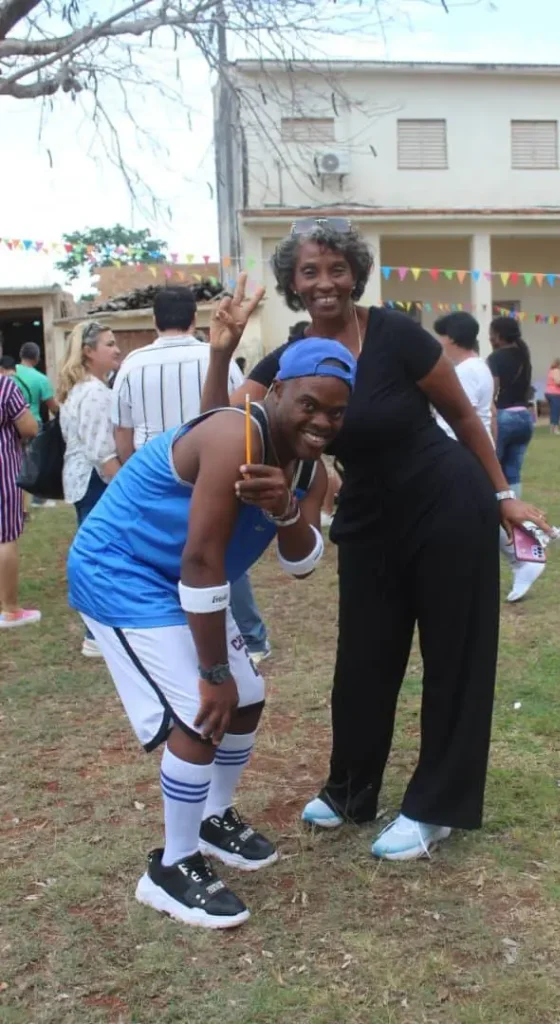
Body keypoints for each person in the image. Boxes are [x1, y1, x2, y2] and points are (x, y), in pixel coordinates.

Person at [202, 219, 549, 861]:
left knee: (453, 657)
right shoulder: (291, 359)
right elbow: (223, 426)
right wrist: (221, 352)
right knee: (362, 659)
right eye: (310, 271)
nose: (325, 282)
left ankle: (435, 807)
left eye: (337, 269)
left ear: (356, 274)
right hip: (366, 515)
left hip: (445, 501)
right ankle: (350, 791)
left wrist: (502, 495)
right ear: (293, 284)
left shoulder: (396, 335)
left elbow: (462, 417)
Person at [67, 282, 356, 927]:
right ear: (275, 390)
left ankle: (212, 818)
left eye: (337, 414)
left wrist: (285, 508)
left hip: (182, 580)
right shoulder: (237, 437)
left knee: (248, 700)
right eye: (310, 404)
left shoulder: (310, 470)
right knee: (205, 711)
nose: (322, 422)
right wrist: (214, 672)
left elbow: (303, 560)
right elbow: (200, 560)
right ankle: (170, 866)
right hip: (125, 570)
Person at [112, 286, 271, 665]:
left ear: (154, 320)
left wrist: (134, 480)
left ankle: (182, 637)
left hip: (157, 479)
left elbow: (122, 434)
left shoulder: (132, 364)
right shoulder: (217, 357)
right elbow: (240, 416)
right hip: (216, 471)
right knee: (221, 552)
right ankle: (251, 638)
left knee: (165, 556)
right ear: (193, 320)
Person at [435, 312, 545, 603]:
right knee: (480, 511)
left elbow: (460, 416)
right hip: (471, 451)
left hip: (461, 452)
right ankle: (523, 556)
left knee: (474, 514)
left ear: (451, 338)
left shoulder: (466, 371)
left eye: (441, 338)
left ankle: (522, 557)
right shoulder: (479, 366)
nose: (439, 344)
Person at [58, 320, 123, 655]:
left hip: (83, 483)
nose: (117, 349)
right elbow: (103, 453)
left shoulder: (82, 389)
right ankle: (97, 634)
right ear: (88, 351)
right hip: (96, 483)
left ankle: (97, 632)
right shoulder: (95, 392)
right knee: (101, 558)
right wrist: (125, 487)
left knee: (95, 556)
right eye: (109, 344)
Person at [0, 371, 41, 628]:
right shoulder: (5, 386)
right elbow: (29, 427)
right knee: (6, 536)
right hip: (3, 470)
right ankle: (11, 609)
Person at [487, 317, 535, 499]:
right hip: (524, 418)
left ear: (498, 335)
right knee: (513, 472)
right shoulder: (525, 356)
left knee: (493, 470)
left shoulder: (495, 358)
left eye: (491, 335)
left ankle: (497, 517)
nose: (490, 339)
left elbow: (492, 391)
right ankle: (516, 515)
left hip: (504, 418)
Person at [15, 341, 60, 510]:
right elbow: (52, 406)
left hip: (12, 424)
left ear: (21, 355)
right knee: (35, 461)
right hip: (33, 423)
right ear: (37, 358)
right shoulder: (41, 379)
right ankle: (37, 499)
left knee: (12, 460)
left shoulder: (8, 374)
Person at [545, 358, 560, 436]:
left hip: (549, 392)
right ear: (559, 364)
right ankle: (556, 429)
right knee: (557, 411)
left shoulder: (550, 371)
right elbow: (558, 381)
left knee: (553, 411)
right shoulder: (556, 371)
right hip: (555, 393)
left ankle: (551, 428)